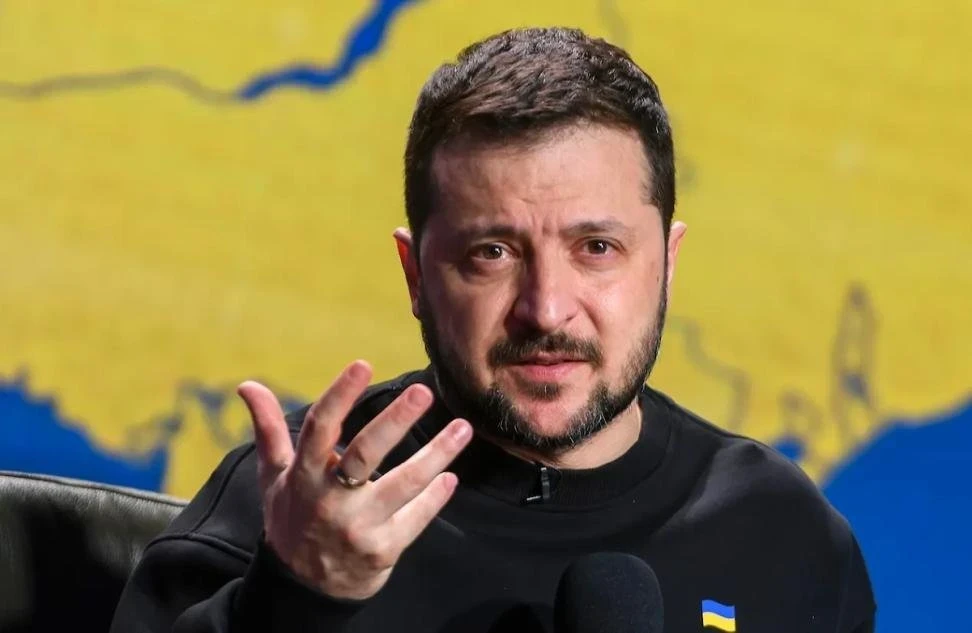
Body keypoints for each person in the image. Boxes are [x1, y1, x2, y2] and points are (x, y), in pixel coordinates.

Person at [111, 26, 876, 633]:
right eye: (492, 252)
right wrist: (296, 599)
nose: (545, 308)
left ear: (667, 264)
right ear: (416, 275)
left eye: (596, 247)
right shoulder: (289, 516)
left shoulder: (784, 535)